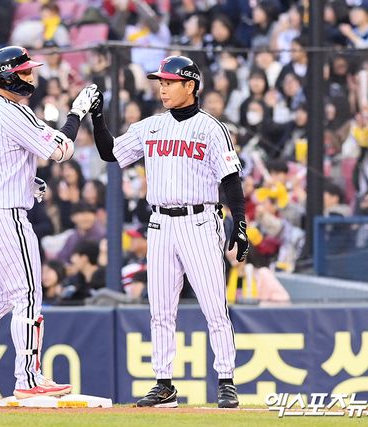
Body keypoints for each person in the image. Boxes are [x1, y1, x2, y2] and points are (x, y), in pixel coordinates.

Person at [0, 45, 99, 400]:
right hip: (4, 217)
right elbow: (60, 150)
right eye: (25, 71)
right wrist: (76, 112)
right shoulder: (13, 110)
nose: (31, 75)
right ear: (8, 76)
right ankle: (28, 377)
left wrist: (25, 181)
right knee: (28, 295)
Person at [90, 56, 249, 408]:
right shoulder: (150, 126)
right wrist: (97, 117)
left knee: (214, 307)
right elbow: (109, 152)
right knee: (160, 310)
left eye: (169, 82)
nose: (162, 88)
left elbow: (231, 179)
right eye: (160, 82)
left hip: (199, 221)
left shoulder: (211, 128)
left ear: (190, 86)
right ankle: (164, 384)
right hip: (160, 223)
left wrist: (239, 223)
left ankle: (226, 380)